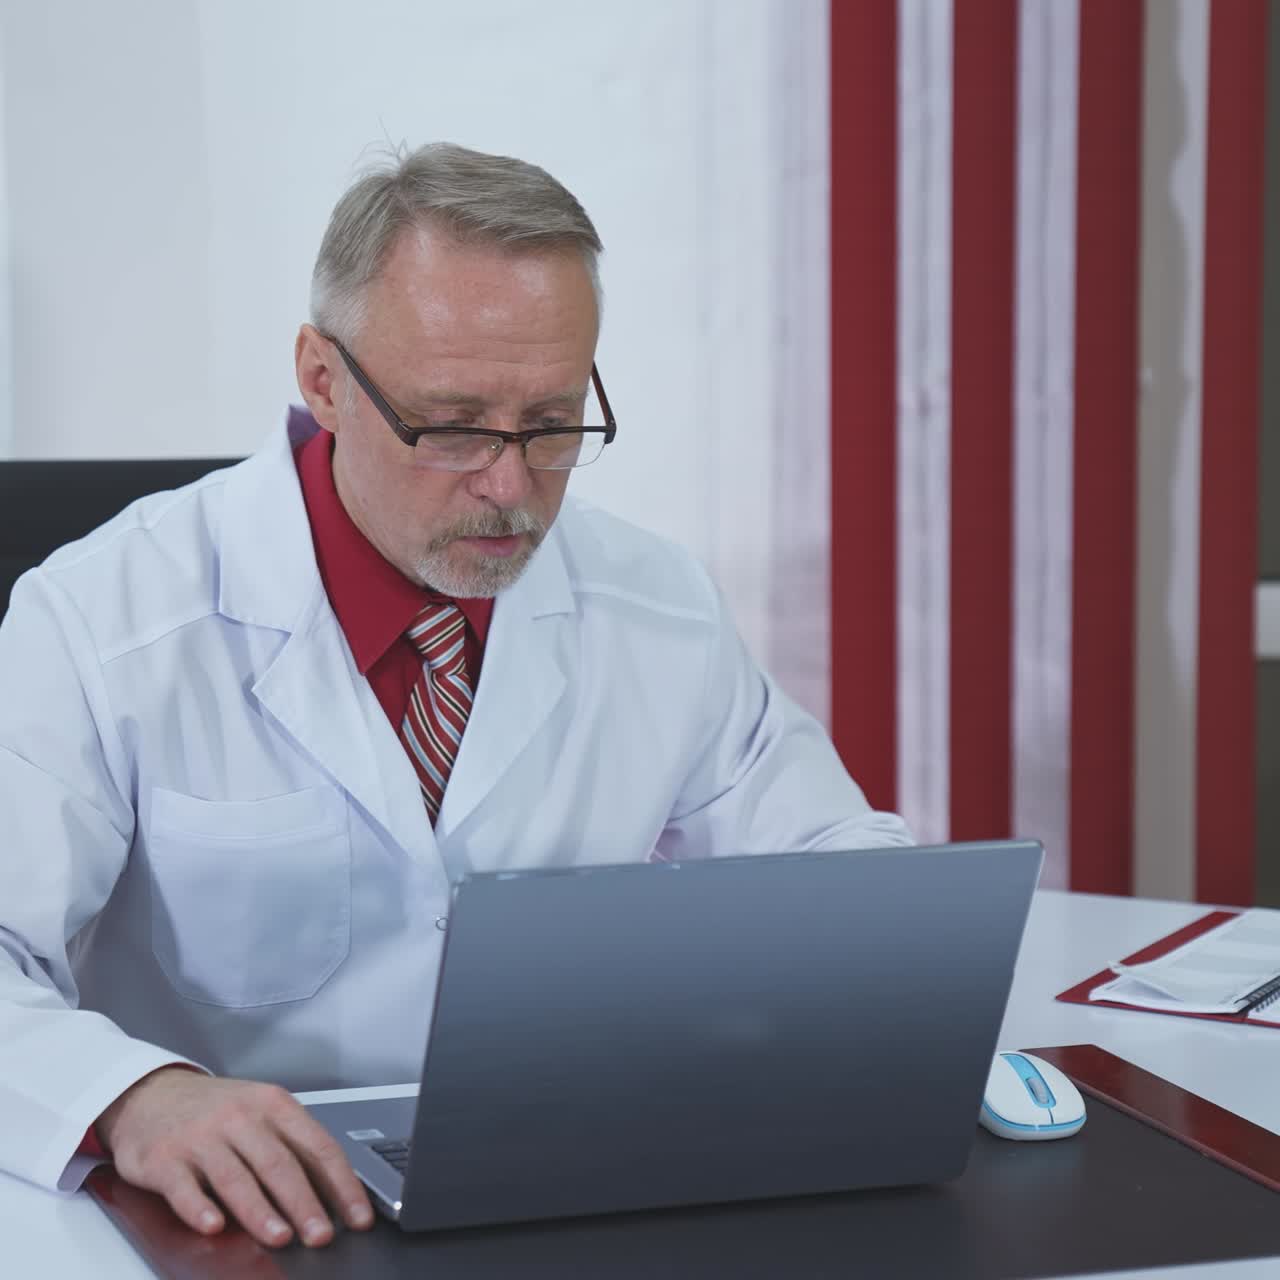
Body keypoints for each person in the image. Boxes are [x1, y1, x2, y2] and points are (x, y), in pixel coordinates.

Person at [0, 142, 910, 1248]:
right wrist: (135, 1097)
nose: (510, 485)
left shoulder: (654, 602)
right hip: (230, 1219)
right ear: (323, 379)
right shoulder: (103, 620)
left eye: (552, 423)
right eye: (455, 423)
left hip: (567, 1182)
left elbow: (837, 871)